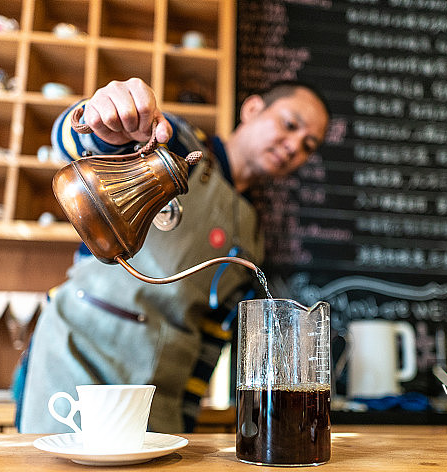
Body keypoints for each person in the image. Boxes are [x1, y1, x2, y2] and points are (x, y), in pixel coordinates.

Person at [17, 77, 330, 434]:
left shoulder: (253, 233)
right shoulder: (178, 143)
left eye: (308, 145)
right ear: (253, 109)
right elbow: (73, 142)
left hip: (160, 396)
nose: (293, 146)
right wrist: (101, 118)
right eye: (290, 125)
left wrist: (187, 416)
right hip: (78, 360)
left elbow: (211, 338)